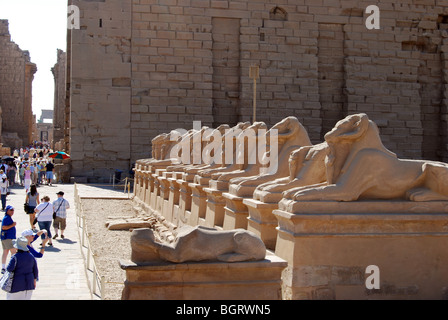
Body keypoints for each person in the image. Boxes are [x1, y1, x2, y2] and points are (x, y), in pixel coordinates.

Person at [1, 205, 16, 274]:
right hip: (7, 237)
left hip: (5, 237)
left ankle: (3, 267)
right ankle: (12, 267)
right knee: (13, 252)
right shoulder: (7, 218)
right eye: (11, 210)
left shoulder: (8, 217)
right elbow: (3, 227)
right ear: (7, 211)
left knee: (5, 252)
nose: (12, 212)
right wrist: (12, 225)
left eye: (13, 210)